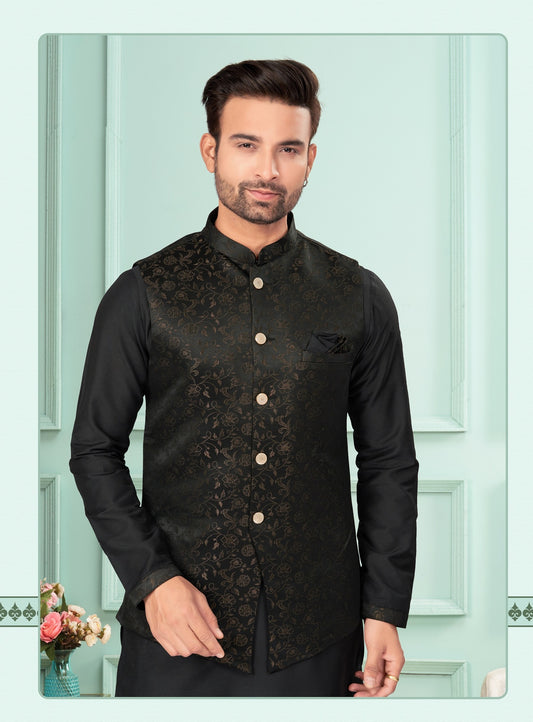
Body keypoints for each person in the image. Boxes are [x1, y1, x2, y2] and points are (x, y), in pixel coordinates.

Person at [70, 58, 418, 698]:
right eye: (246, 145)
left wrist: (385, 609)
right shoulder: (143, 293)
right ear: (211, 151)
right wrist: (152, 580)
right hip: (177, 631)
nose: (268, 170)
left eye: (289, 149)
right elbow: (94, 450)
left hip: (322, 634)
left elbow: (389, 460)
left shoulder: (358, 295)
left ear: (310, 158)